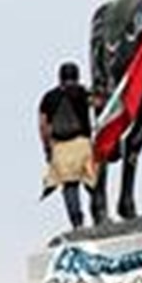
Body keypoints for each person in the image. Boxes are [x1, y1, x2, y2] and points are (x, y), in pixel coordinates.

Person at [39, 62, 97, 229]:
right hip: (82, 144)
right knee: (92, 183)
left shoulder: (49, 97)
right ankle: (99, 214)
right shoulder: (82, 92)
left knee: (70, 186)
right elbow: (99, 104)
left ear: (60, 77)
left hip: (60, 148)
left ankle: (77, 223)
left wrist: (47, 149)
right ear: (77, 76)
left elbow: (43, 126)